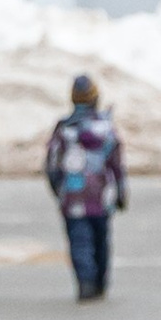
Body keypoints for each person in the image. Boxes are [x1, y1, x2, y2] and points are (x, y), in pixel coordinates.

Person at [44, 72, 128, 299]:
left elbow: (52, 164)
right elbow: (117, 165)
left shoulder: (64, 130)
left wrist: (57, 188)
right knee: (101, 240)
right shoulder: (107, 129)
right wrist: (121, 192)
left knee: (79, 241)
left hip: (73, 196)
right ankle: (101, 281)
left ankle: (85, 281)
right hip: (102, 195)